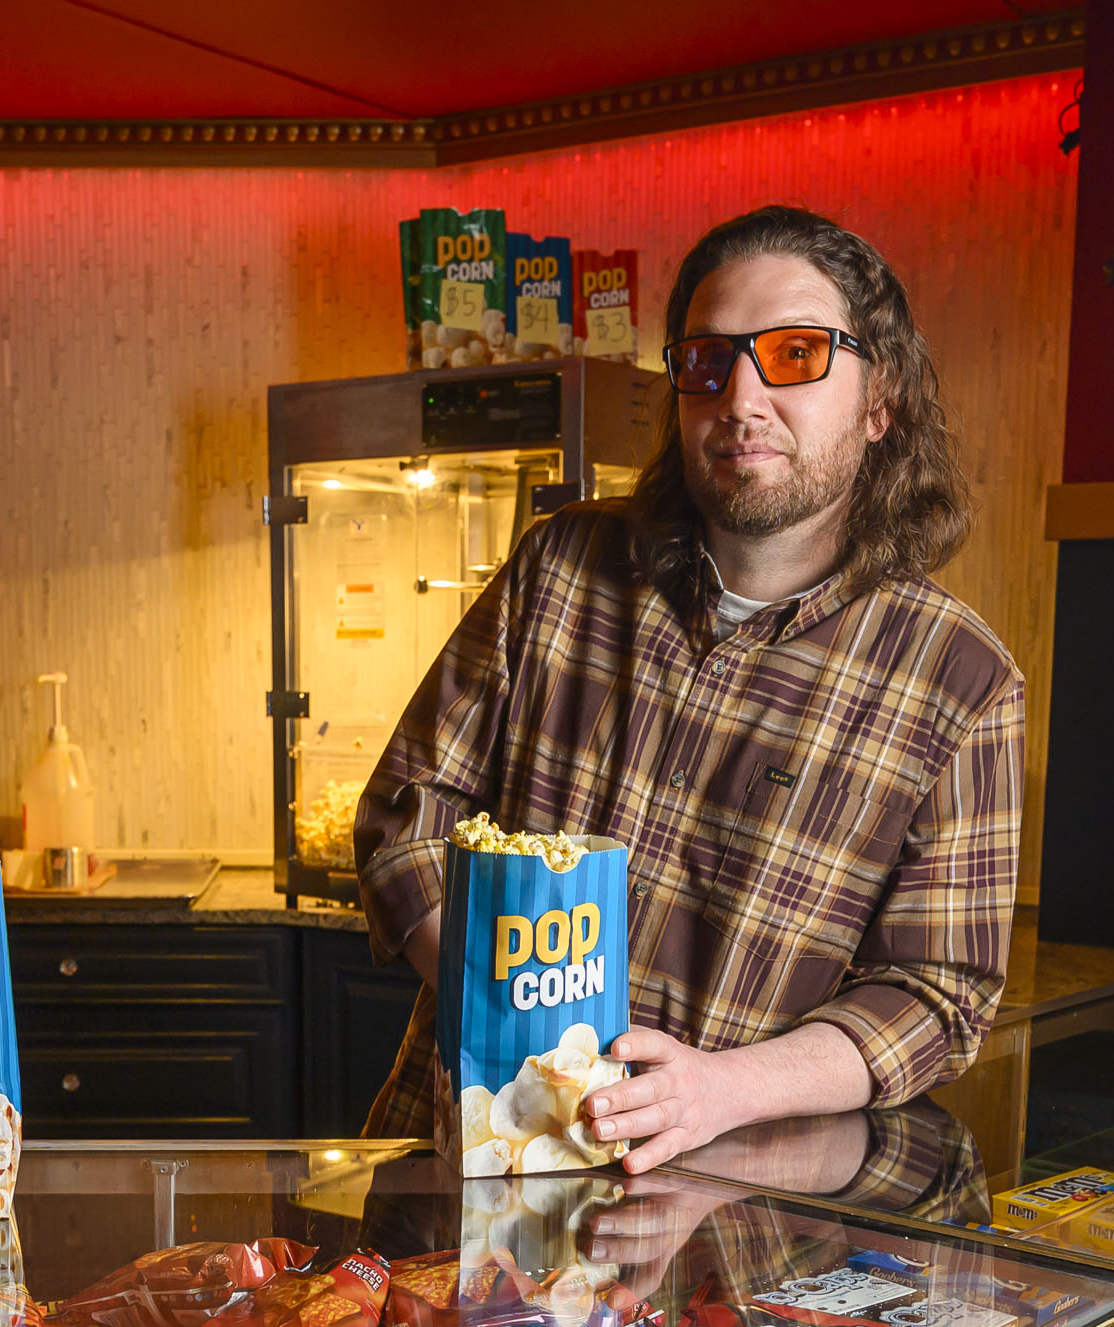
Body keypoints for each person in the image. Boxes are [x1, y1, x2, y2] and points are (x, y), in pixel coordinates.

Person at [355, 204, 1023, 1173]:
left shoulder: (960, 681)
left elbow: (938, 997)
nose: (741, 397)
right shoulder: (560, 567)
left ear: (879, 400)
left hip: (716, 1215)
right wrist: (509, 1010)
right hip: (458, 1175)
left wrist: (719, 1089)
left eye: (794, 354)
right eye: (707, 361)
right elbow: (404, 817)